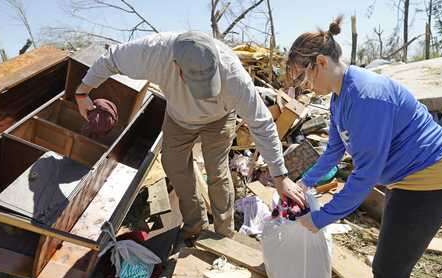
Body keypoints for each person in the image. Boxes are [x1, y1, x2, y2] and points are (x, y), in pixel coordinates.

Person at [287, 17, 442, 278]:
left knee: (388, 273)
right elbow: (333, 150)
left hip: (438, 179)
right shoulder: (338, 98)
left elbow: (365, 176)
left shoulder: (366, 97)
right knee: (392, 255)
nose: (304, 87)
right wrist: (304, 182)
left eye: (303, 78)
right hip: (409, 178)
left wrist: (319, 219)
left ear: (320, 62)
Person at [75, 31, 305, 243]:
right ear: (176, 66)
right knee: (173, 165)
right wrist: (82, 91)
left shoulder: (235, 76)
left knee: (217, 171)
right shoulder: (154, 52)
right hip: (179, 119)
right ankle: (195, 226)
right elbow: (110, 59)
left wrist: (280, 175)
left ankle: (224, 232)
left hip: (219, 120)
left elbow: (262, 123)